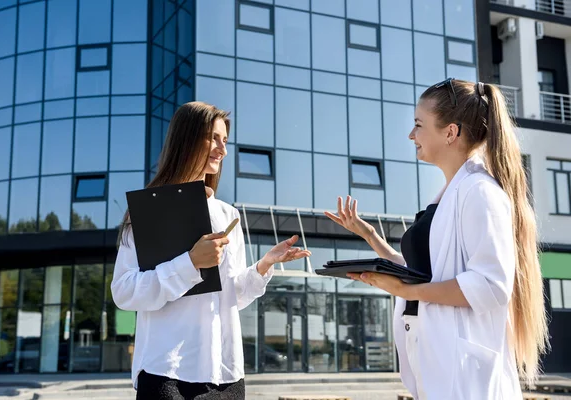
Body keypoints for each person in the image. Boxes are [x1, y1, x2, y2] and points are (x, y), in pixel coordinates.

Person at [325, 79, 548, 399]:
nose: (411, 135)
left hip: (465, 382)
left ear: (450, 132)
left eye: (418, 125)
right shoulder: (451, 194)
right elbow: (432, 272)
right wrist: (370, 237)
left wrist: (407, 289)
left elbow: (491, 285)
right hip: (440, 372)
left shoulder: (481, 192)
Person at [111, 101, 311, 400]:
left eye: (225, 140)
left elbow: (232, 296)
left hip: (226, 376)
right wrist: (189, 263)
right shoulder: (151, 210)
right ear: (187, 139)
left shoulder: (229, 214)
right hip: (167, 373)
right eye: (213, 138)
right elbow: (124, 292)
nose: (223, 149)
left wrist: (264, 265)